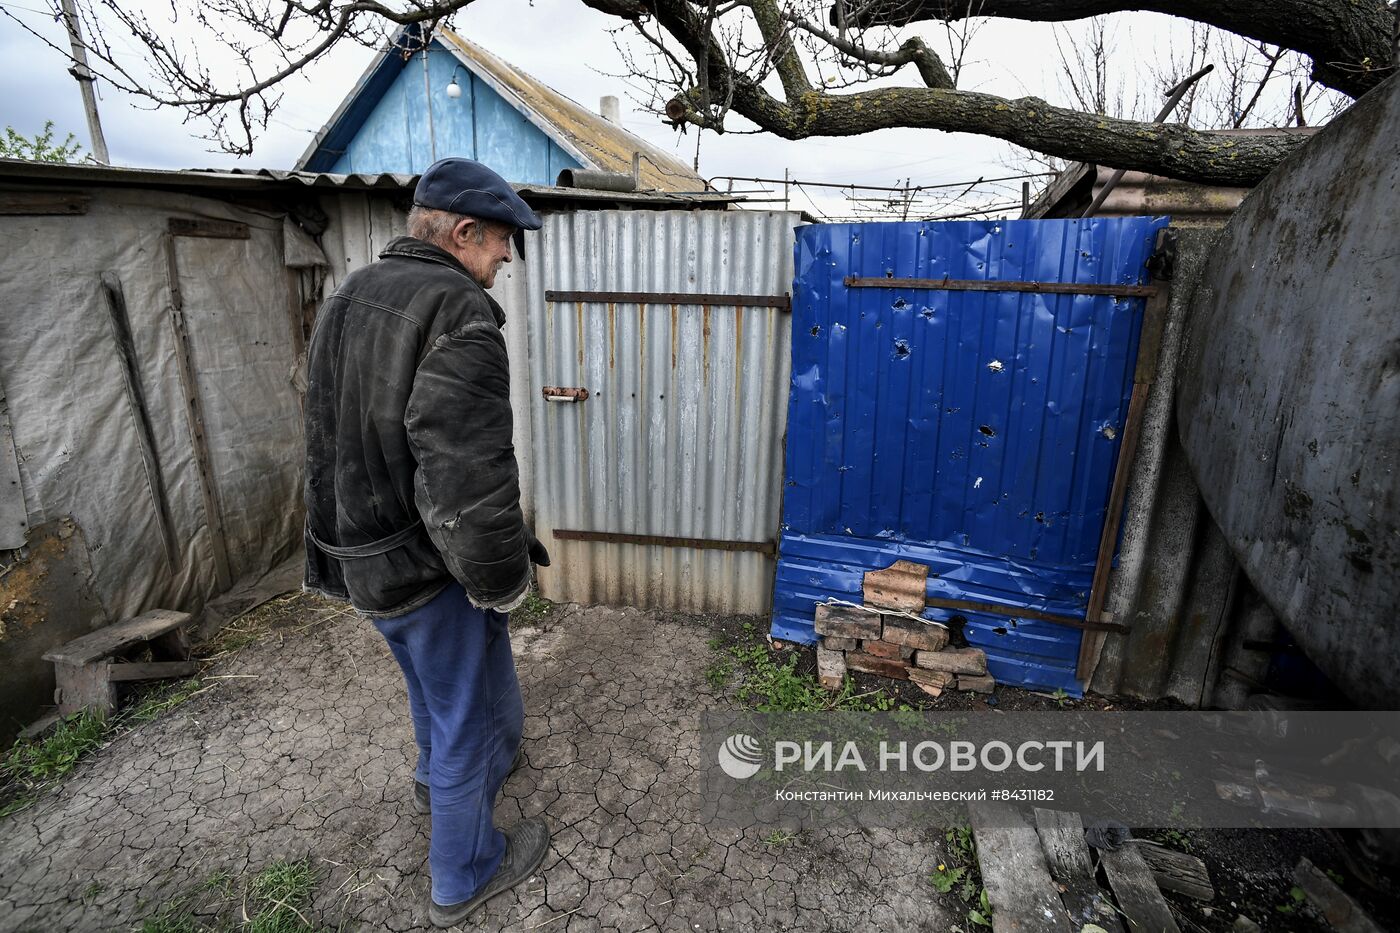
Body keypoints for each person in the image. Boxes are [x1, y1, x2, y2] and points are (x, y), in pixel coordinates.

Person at [302, 157, 551, 928]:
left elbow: (321, 431)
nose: (508, 257)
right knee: (459, 712)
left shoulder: (352, 293)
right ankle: (464, 871)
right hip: (425, 560)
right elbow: (466, 472)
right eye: (503, 240)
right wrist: (501, 576)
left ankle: (456, 774)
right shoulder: (457, 309)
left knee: (446, 686)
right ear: (465, 232)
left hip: (363, 552)